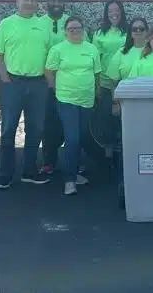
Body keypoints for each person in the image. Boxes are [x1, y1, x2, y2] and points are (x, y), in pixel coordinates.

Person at [0, 0, 53, 189]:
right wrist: (5, 79)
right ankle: (5, 175)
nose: (30, 2)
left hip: (38, 84)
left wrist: (48, 81)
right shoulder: (6, 24)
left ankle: (29, 172)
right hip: (13, 84)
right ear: (17, 0)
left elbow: (50, 55)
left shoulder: (44, 25)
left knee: (35, 130)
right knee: (8, 130)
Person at [45, 16, 102, 196]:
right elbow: (49, 72)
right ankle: (69, 180)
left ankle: (75, 173)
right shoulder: (57, 49)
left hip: (87, 100)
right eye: (71, 29)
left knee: (82, 137)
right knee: (72, 138)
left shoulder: (91, 49)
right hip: (66, 100)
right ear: (65, 31)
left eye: (78, 28)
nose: (75, 31)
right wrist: (55, 90)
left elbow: (97, 74)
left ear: (83, 30)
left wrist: (97, 93)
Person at [92, 0, 129, 156]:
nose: (114, 14)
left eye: (117, 10)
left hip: (126, 83)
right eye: (111, 11)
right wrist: (97, 85)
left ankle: (127, 151)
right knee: (107, 119)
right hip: (106, 83)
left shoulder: (129, 31)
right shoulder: (99, 33)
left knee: (126, 120)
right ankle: (109, 154)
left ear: (122, 12)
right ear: (106, 14)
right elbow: (95, 60)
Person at [41, 0, 69, 176]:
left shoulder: (71, 23)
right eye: (53, 0)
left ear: (64, 3)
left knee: (69, 123)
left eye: (60, 0)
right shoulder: (38, 23)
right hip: (44, 82)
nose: (56, 4)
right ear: (47, 2)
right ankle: (48, 161)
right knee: (47, 123)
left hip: (69, 82)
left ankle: (73, 162)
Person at [105, 17, 149, 87]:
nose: (138, 30)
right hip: (126, 92)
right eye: (134, 29)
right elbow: (114, 81)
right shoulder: (121, 52)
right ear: (130, 32)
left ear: (146, 31)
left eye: (141, 28)